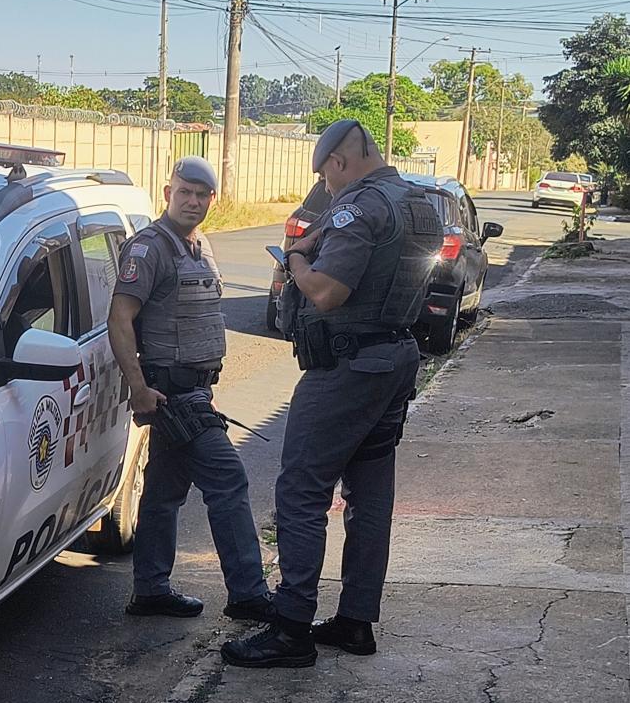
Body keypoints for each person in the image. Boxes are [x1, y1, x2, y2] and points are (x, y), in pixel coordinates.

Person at [222, 119, 441, 669]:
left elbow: (327, 292)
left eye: (326, 175)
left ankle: (291, 628)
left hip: (345, 367)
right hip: (394, 358)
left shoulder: (357, 207)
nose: (326, 187)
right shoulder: (418, 202)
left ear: (339, 163)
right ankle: (355, 620)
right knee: (370, 493)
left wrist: (296, 260)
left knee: (301, 490)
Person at [107, 156, 274, 624]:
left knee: (163, 492)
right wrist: (138, 388)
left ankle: (151, 589)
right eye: (185, 192)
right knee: (229, 482)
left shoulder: (199, 245)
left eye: (202, 195)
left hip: (192, 394)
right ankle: (248, 594)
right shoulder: (149, 249)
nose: (193, 201)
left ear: (212, 199)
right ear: (167, 193)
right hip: (169, 395)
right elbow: (119, 321)